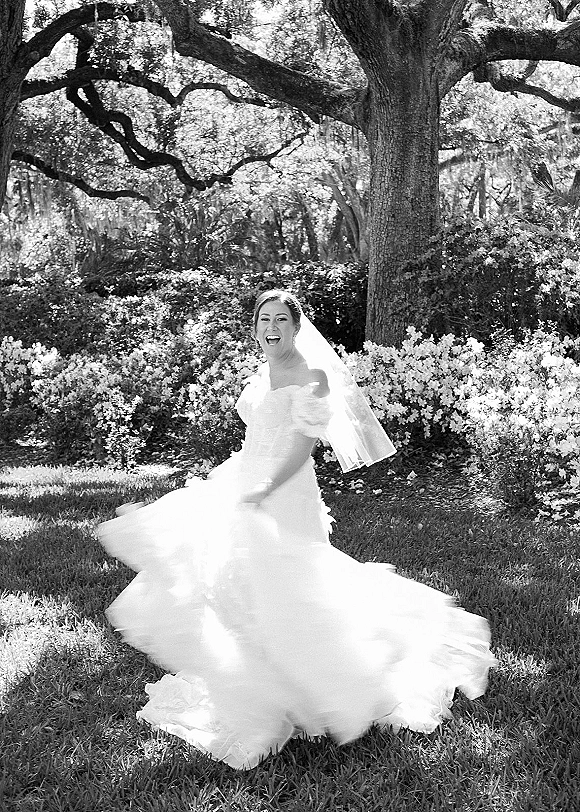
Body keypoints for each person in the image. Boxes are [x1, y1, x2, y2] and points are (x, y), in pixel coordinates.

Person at [98, 289, 496, 770]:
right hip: (246, 478)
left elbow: (303, 445)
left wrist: (263, 487)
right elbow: (258, 432)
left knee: (291, 584)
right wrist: (244, 479)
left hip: (283, 490)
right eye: (263, 318)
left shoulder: (311, 375)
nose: (270, 326)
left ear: (296, 325)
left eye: (280, 319)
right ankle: (268, 688)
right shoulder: (264, 370)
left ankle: (322, 684)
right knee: (239, 584)